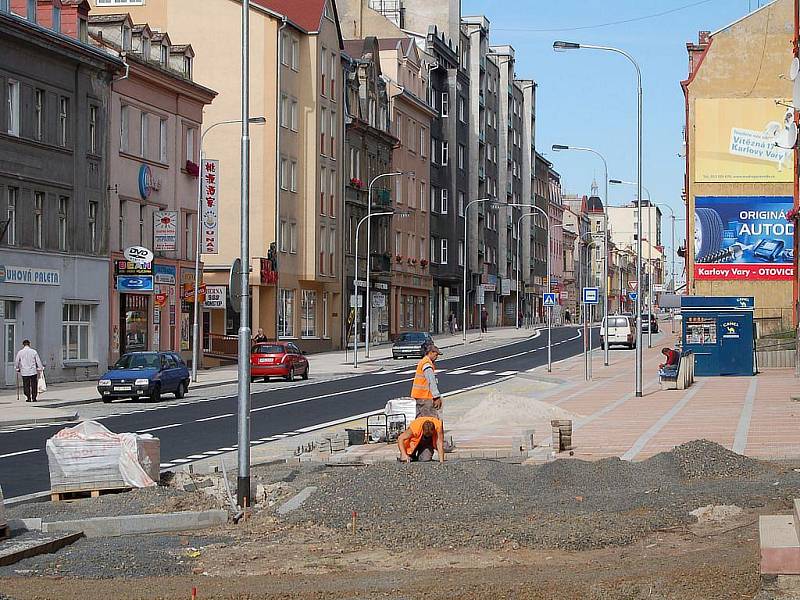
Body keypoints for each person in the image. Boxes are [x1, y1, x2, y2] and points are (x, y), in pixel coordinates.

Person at [410, 342, 442, 418]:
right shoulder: (427, 364)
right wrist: (436, 397)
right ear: (430, 353)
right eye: (436, 355)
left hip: (418, 396)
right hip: (425, 397)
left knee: (420, 419)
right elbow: (431, 381)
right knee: (431, 419)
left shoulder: (423, 361)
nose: (437, 357)